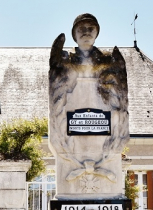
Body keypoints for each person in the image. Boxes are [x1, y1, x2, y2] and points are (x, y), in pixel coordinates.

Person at [48, 14, 129, 196]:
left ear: (97, 33)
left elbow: (120, 105)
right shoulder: (65, 62)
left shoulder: (109, 62)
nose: (86, 32)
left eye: (90, 28)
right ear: (74, 34)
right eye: (81, 29)